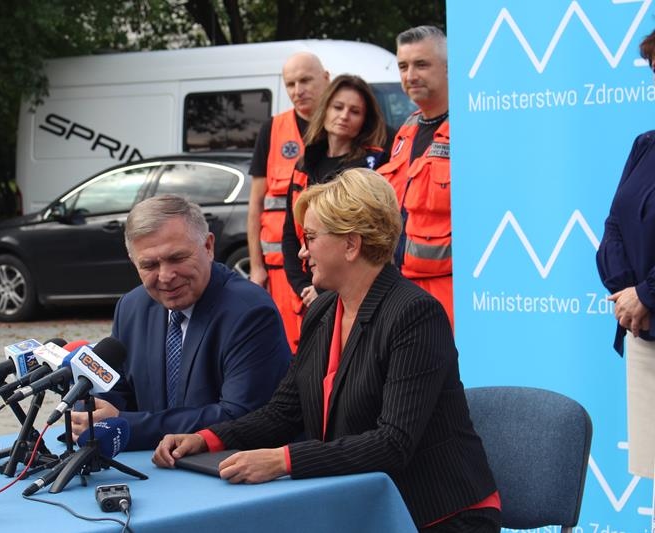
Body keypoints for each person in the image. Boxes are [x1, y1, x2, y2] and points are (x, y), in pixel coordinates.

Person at [153, 169, 500, 531]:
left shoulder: (415, 314)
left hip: (440, 514)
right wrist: (207, 438)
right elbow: (283, 413)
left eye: (311, 238)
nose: (302, 251)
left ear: (351, 244)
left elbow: (393, 443)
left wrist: (283, 460)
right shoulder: (323, 311)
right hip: (360, 505)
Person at [70, 195, 292, 451]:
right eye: (149, 265)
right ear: (134, 262)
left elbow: (239, 416)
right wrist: (90, 412)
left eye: (177, 258)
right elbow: (118, 392)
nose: (166, 276)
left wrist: (126, 424)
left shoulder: (250, 311)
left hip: (229, 466)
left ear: (208, 246)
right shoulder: (131, 307)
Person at [596, 28, 655, 480]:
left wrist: (647, 294)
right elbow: (615, 223)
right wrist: (629, 296)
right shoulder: (645, 145)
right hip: (644, 332)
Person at [282, 74, 389, 310]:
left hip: (349, 293)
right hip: (306, 294)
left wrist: (322, 291)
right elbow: (290, 232)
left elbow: (366, 241)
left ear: (365, 120)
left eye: (355, 111)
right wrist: (303, 286)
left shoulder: (371, 166)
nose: (344, 116)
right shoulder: (304, 165)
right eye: (338, 107)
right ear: (325, 109)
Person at [247, 52, 330, 353]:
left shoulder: (341, 128)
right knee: (288, 353)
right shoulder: (272, 130)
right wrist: (256, 267)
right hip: (280, 273)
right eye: (290, 84)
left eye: (305, 80)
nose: (298, 90)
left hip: (330, 270)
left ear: (326, 78)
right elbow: (256, 204)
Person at [377, 25, 454, 327]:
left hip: (451, 289)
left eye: (421, 64)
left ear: (448, 68)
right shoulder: (407, 128)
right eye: (403, 66)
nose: (410, 76)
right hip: (401, 286)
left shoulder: (471, 126)